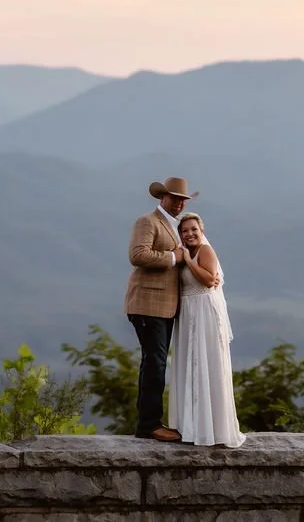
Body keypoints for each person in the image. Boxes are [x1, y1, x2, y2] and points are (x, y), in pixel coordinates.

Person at [124, 176, 198, 442]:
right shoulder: (148, 221)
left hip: (165, 307)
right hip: (147, 304)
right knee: (154, 363)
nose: (179, 203)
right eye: (175, 198)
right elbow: (138, 255)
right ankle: (148, 425)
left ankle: (151, 422)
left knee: (155, 363)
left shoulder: (174, 226)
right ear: (162, 198)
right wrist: (173, 257)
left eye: (183, 200)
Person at [168, 212, 246, 448]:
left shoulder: (205, 251)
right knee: (190, 366)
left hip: (204, 312)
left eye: (194, 229)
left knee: (207, 363)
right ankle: (191, 426)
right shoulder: (185, 253)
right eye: (185, 231)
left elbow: (208, 279)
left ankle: (214, 429)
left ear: (201, 231)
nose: (190, 234)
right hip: (188, 314)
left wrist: (189, 262)